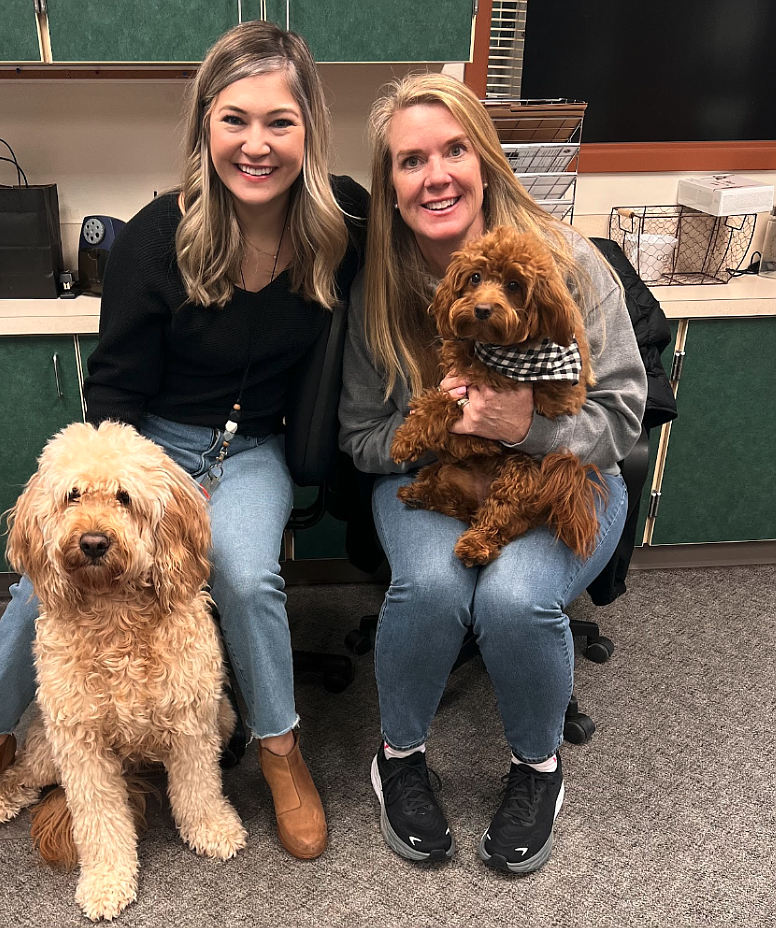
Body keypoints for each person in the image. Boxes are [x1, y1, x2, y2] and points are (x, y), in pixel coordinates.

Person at [0, 20, 367, 862]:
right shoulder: (157, 236)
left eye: (279, 120)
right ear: (204, 126)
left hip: (255, 452)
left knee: (245, 574)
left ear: (310, 129)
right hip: (152, 444)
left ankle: (279, 750)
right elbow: (112, 396)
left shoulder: (340, 225)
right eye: (234, 119)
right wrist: (141, 488)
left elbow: (436, 241)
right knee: (36, 588)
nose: (256, 143)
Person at [339, 73, 647, 873]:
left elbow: (621, 418)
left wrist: (529, 426)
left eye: (453, 151)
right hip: (440, 467)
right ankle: (398, 756)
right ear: (391, 185)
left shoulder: (566, 262)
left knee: (513, 596)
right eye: (410, 161)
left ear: (485, 162)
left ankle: (537, 768)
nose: (435, 174)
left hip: (568, 471)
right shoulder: (378, 290)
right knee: (434, 586)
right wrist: (431, 428)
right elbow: (362, 439)